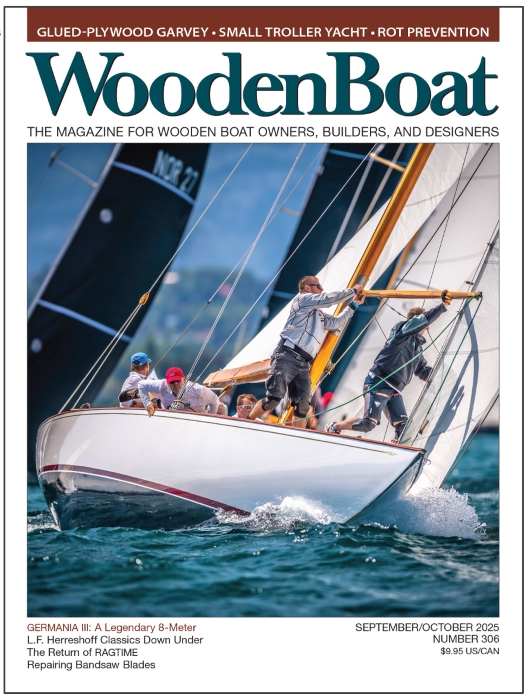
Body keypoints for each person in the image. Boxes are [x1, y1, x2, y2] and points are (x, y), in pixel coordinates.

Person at [325, 296, 450, 442]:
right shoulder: (402, 331)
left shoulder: (417, 349)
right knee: (368, 424)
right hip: (379, 382)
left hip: (394, 389)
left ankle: (396, 445)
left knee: (404, 427)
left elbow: (422, 369)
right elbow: (423, 320)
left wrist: (442, 377)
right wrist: (443, 305)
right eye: (423, 323)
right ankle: (334, 426)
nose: (426, 326)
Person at [249, 276, 364, 428]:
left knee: (303, 406)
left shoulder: (318, 314)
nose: (322, 289)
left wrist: (353, 305)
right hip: (287, 355)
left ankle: (296, 436)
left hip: (303, 363)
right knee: (273, 400)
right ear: (307, 288)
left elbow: (335, 323)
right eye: (318, 286)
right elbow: (328, 299)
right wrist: (352, 291)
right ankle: (246, 420)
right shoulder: (302, 300)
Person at [139, 367, 220, 417]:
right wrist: (147, 403)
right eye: (172, 381)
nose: (175, 384)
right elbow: (141, 384)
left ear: (184, 379)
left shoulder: (199, 390)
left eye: (178, 380)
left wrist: (210, 415)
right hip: (171, 421)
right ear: (167, 382)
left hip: (195, 422)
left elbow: (215, 400)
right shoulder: (162, 386)